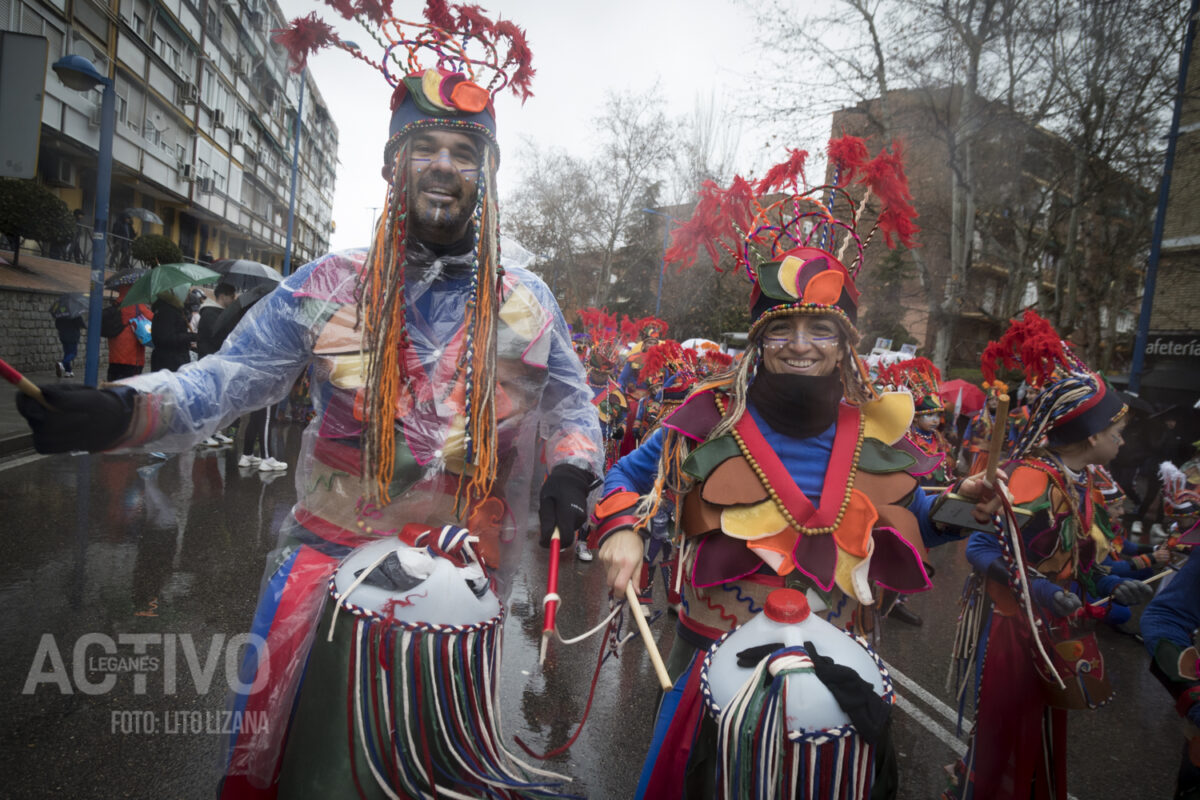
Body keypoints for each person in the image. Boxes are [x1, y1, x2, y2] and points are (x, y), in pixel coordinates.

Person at [17, 10, 600, 797]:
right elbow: (227, 379)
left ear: (485, 173)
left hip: (461, 591)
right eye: (423, 147)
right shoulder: (330, 285)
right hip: (330, 581)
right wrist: (123, 409)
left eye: (464, 152)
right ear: (393, 165)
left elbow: (570, 406)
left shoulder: (528, 301)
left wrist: (572, 468)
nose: (442, 165)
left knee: (432, 776)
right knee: (315, 771)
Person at [594, 140, 977, 798]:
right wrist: (621, 529)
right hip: (705, 655)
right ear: (760, 339)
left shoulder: (872, 429)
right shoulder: (707, 415)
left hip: (826, 667)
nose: (800, 345)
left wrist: (963, 509)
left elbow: (912, 515)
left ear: (845, 343)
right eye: (782, 328)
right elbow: (623, 479)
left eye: (821, 330)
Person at [946, 311, 1155, 800]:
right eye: (1116, 431)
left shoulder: (1086, 486)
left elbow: (1079, 561)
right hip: (1010, 630)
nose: (1121, 440)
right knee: (999, 736)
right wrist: (1038, 588)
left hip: (1053, 629)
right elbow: (979, 547)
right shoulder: (1032, 478)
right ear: (1089, 436)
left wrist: (1108, 583)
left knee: (1037, 735)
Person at [195, 283, 238, 447]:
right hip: (209, 361)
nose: (233, 300)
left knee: (218, 399)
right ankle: (202, 433)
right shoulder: (209, 313)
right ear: (223, 296)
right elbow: (216, 335)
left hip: (219, 361)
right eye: (232, 296)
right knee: (208, 397)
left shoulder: (220, 313)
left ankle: (214, 431)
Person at [104, 285, 153, 382]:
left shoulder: (116, 304)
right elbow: (152, 318)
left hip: (114, 355)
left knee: (114, 383)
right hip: (132, 357)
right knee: (130, 386)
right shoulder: (137, 305)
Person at [148, 285, 195, 373]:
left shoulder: (175, 309)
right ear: (179, 292)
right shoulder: (167, 311)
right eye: (187, 292)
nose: (189, 295)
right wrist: (190, 336)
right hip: (169, 363)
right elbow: (166, 337)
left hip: (172, 360)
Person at [53, 310, 84, 378]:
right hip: (73, 336)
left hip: (63, 336)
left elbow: (57, 325)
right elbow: (81, 324)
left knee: (67, 353)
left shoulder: (61, 314)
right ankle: (62, 364)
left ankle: (68, 371)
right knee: (73, 353)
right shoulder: (75, 313)